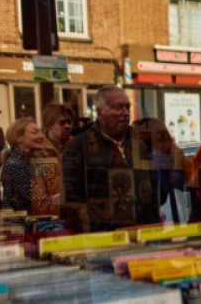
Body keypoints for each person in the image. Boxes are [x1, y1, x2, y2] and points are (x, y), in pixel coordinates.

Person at [62, 85, 187, 231]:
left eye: (127, 107)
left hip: (143, 233)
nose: (125, 113)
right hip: (104, 237)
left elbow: (153, 192)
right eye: (117, 107)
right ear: (99, 111)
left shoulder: (138, 145)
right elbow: (71, 201)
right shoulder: (79, 145)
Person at [0, 118, 60, 216]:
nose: (41, 136)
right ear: (19, 138)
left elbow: (54, 187)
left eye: (41, 132)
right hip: (23, 226)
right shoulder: (15, 164)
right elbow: (39, 201)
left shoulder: (33, 159)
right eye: (35, 132)